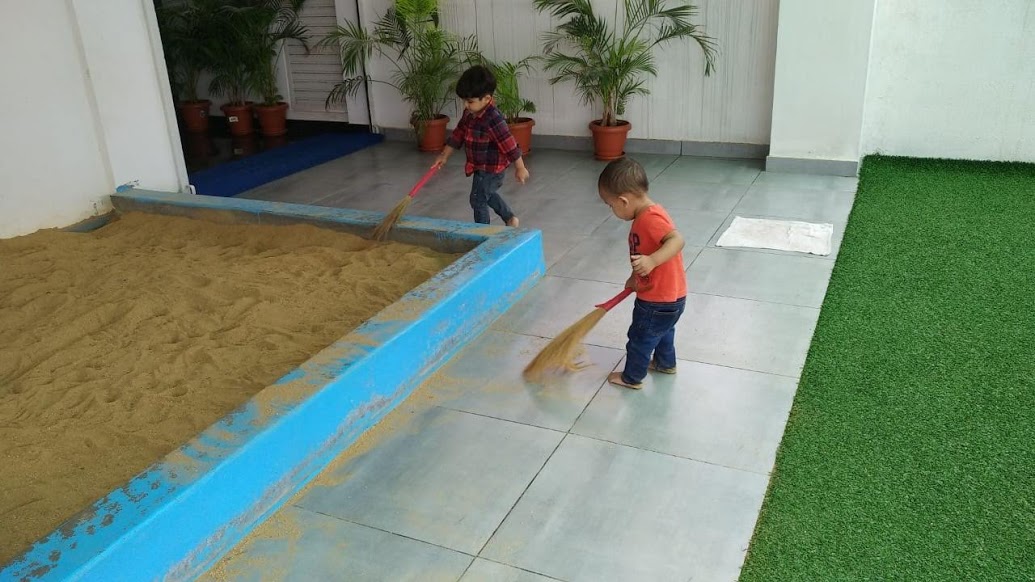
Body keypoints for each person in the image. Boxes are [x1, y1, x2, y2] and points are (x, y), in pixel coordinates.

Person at [597, 157, 687, 390]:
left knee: (640, 339)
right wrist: (634, 276)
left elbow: (677, 240)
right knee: (663, 332)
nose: (612, 210)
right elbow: (642, 253)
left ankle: (632, 377)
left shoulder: (650, 219)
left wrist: (652, 261)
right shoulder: (647, 215)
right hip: (671, 298)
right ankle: (666, 364)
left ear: (624, 200)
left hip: (656, 299)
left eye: (610, 205)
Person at [433, 65, 529, 226]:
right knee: (486, 194)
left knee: (477, 199)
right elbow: (458, 134)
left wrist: (520, 167)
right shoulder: (470, 113)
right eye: (464, 101)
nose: (466, 105)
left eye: (470, 101)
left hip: (492, 169)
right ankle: (510, 219)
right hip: (479, 166)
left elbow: (510, 145)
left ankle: (483, 234)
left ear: (486, 98)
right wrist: (444, 155)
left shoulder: (493, 118)